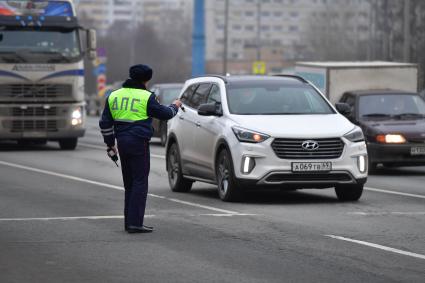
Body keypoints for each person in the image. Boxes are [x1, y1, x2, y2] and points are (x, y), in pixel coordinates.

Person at [99, 64, 182, 234]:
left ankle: (129, 222)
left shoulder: (114, 96)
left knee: (129, 183)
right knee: (140, 182)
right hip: (138, 142)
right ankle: (135, 223)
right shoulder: (147, 97)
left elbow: (105, 122)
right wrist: (175, 105)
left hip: (122, 142)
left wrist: (110, 144)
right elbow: (165, 114)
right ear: (147, 79)